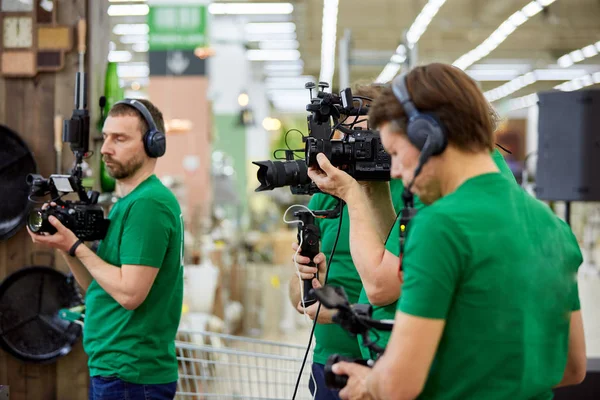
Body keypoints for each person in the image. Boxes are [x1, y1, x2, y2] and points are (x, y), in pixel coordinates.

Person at [307, 63, 586, 399]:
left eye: (394, 152)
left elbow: (399, 385)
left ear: (429, 137)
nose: (394, 169)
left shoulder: (440, 226)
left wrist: (370, 382)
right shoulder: (553, 226)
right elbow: (572, 368)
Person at [28, 99, 184, 400]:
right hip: (115, 370)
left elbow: (129, 294)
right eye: (106, 137)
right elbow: (98, 286)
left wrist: (77, 246)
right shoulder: (127, 203)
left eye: (120, 139)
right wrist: (65, 245)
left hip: (131, 375)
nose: (105, 148)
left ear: (153, 144)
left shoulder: (148, 204)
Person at [288, 84, 408, 399]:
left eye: (362, 138)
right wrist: (308, 279)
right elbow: (299, 301)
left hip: (387, 361)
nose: (349, 150)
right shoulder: (324, 198)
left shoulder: (408, 193)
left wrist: (343, 313)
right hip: (329, 362)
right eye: (342, 139)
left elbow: (393, 286)